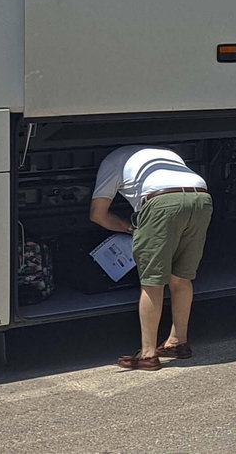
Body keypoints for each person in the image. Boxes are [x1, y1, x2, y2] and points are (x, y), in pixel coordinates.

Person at [89, 145, 212, 370]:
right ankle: (178, 342)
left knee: (152, 282)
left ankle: (147, 354)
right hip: (201, 197)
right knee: (181, 278)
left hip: (161, 202)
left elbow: (98, 214)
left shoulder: (112, 161)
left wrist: (131, 229)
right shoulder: (165, 153)